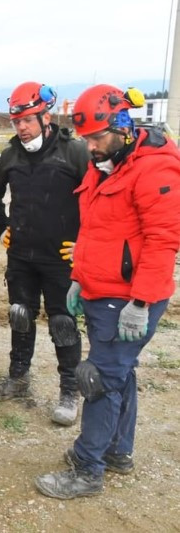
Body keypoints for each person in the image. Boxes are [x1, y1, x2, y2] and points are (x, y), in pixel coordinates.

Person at [35, 84, 180, 499]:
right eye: (86, 140)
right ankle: (117, 451)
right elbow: (98, 231)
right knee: (119, 374)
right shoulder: (106, 165)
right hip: (103, 292)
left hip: (129, 298)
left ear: (122, 125)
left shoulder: (154, 170)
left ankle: (87, 468)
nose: (91, 147)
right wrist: (81, 277)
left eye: (98, 138)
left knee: (98, 378)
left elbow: (162, 240)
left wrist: (141, 301)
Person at [0, 81, 89, 426]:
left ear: (46, 116)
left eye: (28, 120)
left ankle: (69, 390)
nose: (22, 127)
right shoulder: (11, 155)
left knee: (63, 323)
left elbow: (98, 199)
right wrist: (2, 229)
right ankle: (18, 378)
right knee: (20, 316)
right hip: (22, 258)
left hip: (61, 260)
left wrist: (84, 243)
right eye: (17, 122)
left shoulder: (73, 152)